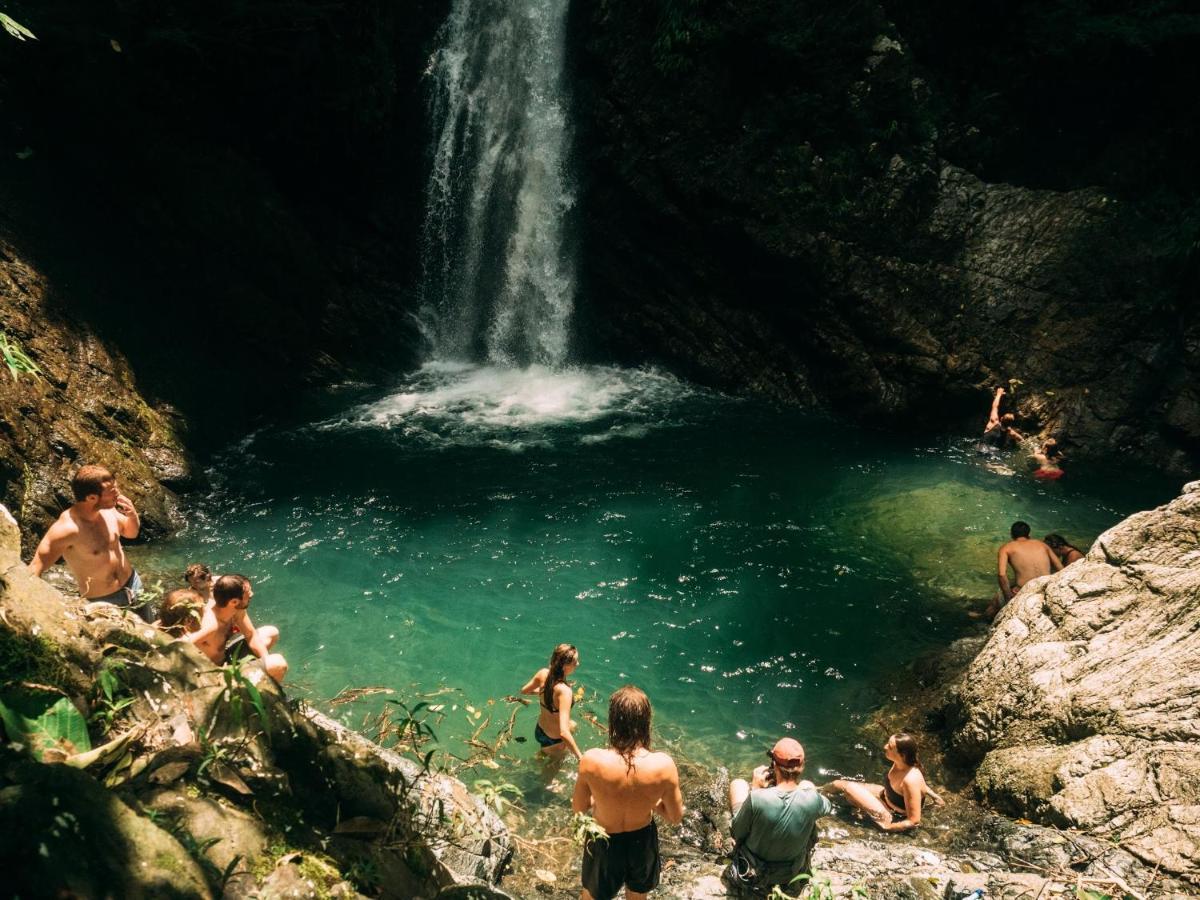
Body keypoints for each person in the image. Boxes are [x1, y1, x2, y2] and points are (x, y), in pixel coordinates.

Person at [572, 685, 685, 900]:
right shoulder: (663, 765)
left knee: (591, 895)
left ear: (613, 720)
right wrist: (650, 801)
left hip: (602, 839)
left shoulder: (592, 760)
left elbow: (579, 808)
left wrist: (602, 796)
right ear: (646, 722)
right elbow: (675, 816)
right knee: (636, 896)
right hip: (641, 842)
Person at [27, 465, 150, 619]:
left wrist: (132, 515)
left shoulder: (109, 511)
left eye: (116, 487)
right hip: (104, 602)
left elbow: (131, 533)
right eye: (111, 491)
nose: (117, 494)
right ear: (92, 498)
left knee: (153, 635)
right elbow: (36, 566)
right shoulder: (67, 529)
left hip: (134, 584)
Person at [725, 737, 832, 895]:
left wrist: (755, 790)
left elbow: (737, 831)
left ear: (774, 764)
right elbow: (826, 807)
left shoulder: (758, 798)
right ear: (801, 767)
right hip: (793, 874)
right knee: (807, 786)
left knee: (738, 784)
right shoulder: (813, 799)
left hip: (752, 875)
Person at [827, 733, 943, 832]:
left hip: (890, 813)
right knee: (839, 784)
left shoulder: (910, 780)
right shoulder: (904, 763)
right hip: (886, 794)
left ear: (902, 755)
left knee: (846, 787)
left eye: (890, 747)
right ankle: (821, 791)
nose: (885, 747)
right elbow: (921, 786)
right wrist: (935, 796)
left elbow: (914, 820)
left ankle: (819, 795)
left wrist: (888, 827)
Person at [186, 574, 288, 682]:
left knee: (271, 632)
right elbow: (181, 644)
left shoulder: (235, 610)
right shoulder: (211, 625)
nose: (251, 594)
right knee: (278, 662)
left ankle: (263, 679)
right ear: (234, 602)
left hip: (228, 657)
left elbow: (251, 635)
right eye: (248, 593)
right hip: (218, 674)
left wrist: (266, 661)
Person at [985, 521, 1063, 618]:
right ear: (1029, 534)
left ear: (1012, 534)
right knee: (1013, 581)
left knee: (997, 598)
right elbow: (1061, 569)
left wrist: (1008, 597)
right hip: (1047, 586)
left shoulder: (1006, 548)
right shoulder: (1042, 545)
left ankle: (984, 618)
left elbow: (1002, 575)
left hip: (1026, 590)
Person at [520, 643, 584, 760]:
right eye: (575, 662)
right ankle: (541, 761)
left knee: (573, 725)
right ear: (565, 666)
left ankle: (542, 753)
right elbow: (563, 733)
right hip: (554, 739)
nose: (578, 664)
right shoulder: (565, 692)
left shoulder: (543, 673)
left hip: (540, 731)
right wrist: (581, 758)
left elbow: (524, 691)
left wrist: (544, 691)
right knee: (550, 773)